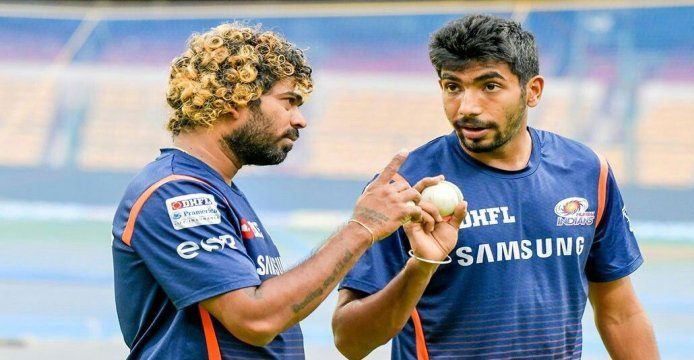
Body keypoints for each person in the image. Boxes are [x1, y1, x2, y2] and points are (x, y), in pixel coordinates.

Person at [111, 22, 465, 359]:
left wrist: (414, 255)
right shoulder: (176, 193)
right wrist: (363, 227)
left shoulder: (217, 189)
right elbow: (255, 319)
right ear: (235, 98)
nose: (300, 119)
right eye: (288, 102)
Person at [332, 14, 659, 360]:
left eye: (489, 86)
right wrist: (422, 265)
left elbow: (621, 314)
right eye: (452, 86)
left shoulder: (588, 172)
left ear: (532, 91)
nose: (467, 107)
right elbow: (351, 342)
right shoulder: (404, 187)